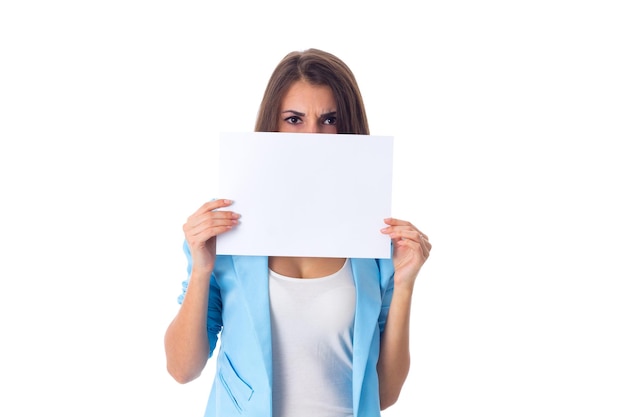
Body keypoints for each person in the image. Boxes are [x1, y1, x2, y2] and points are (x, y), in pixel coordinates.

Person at [164, 48, 432, 417]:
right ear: (272, 125)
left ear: (347, 127)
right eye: (294, 119)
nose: (312, 135)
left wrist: (404, 284)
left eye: (329, 119)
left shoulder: (373, 237)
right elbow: (182, 369)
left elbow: (383, 393)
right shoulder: (226, 226)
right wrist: (201, 269)